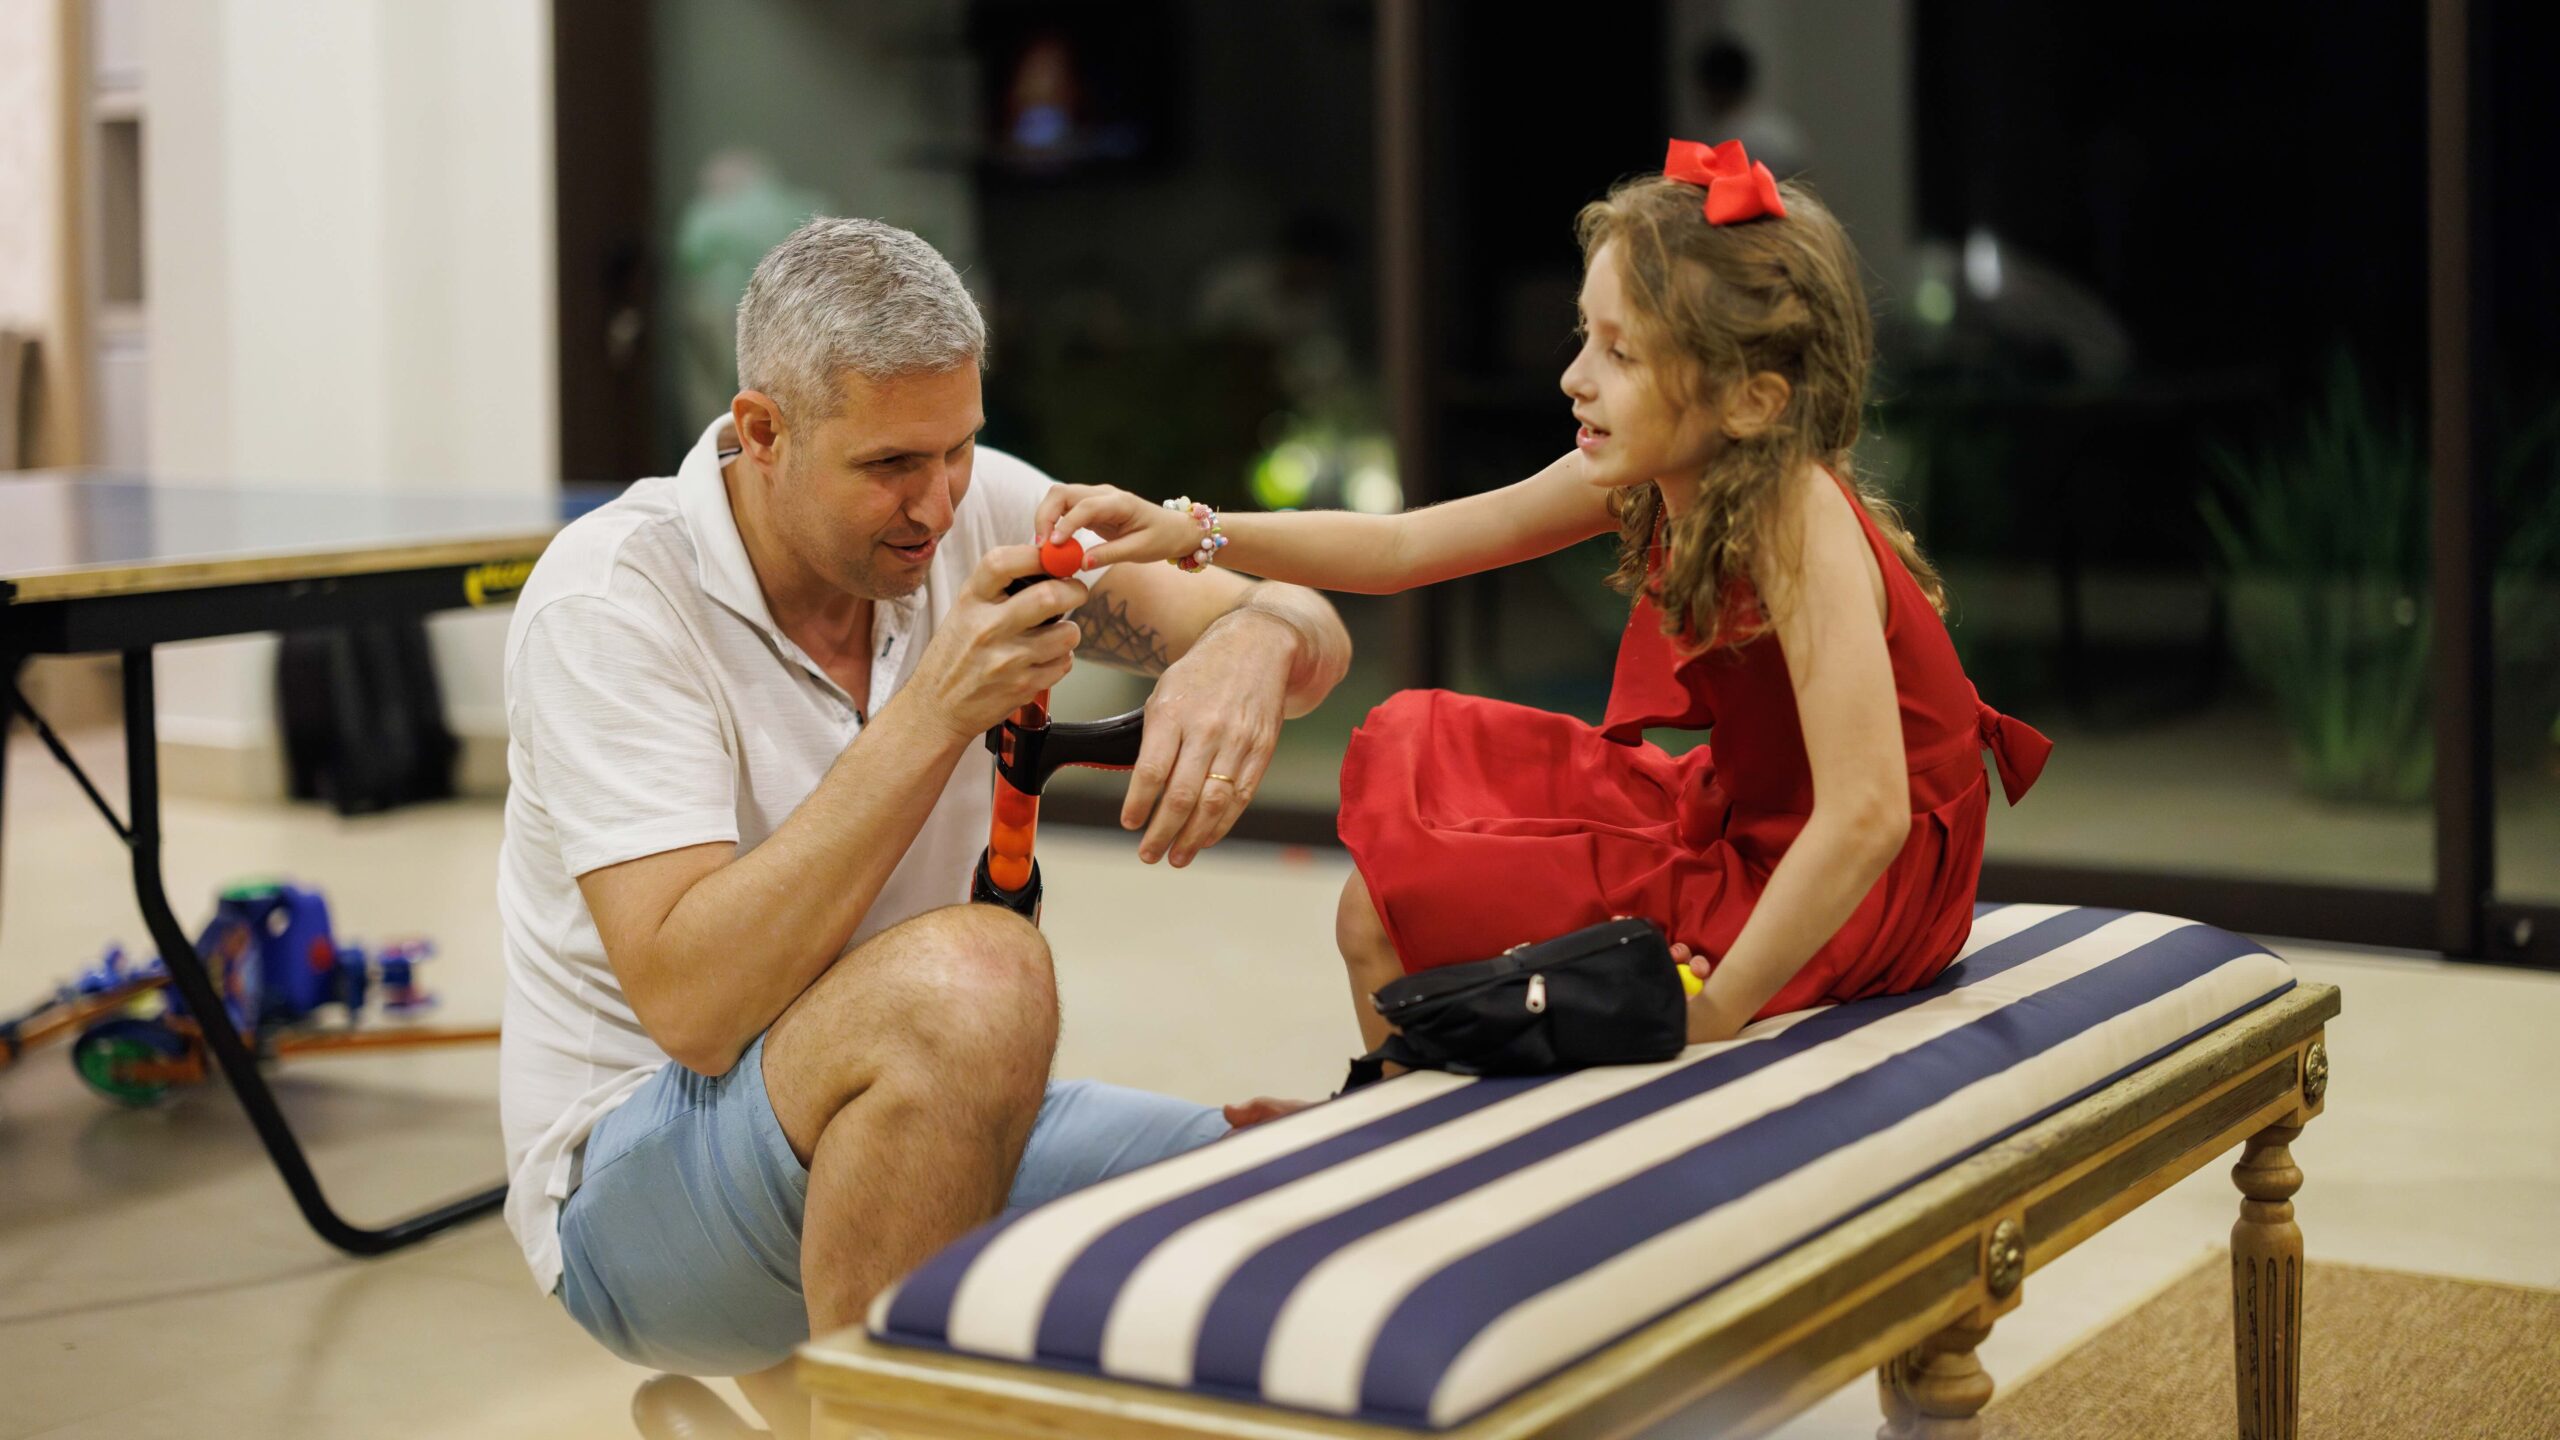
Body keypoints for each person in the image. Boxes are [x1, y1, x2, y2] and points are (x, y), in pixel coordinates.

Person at [496, 217, 1349, 1428]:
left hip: (909, 1092)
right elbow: (693, 1007)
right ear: (762, 432)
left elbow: (1314, 629)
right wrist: (936, 710)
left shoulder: (979, 505)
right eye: (893, 463)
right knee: (976, 977)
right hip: (639, 1188)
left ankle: (819, 1404)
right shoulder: (611, 601)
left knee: (1305, 1187)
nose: (939, 504)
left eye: (959, 447)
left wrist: (1250, 640)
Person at [1038, 139, 2050, 1061]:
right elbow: (1404, 545)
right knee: (1381, 897)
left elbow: (1867, 815)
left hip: (1860, 887)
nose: (1573, 377)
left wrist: (1711, 1009)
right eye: (1584, 336)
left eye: (1621, 352)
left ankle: (1435, 1156)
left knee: (1384, 919)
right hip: (1757, 819)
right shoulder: (1660, 469)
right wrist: (1193, 529)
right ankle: (1415, 1138)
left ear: (1750, 399)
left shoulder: (1796, 514)